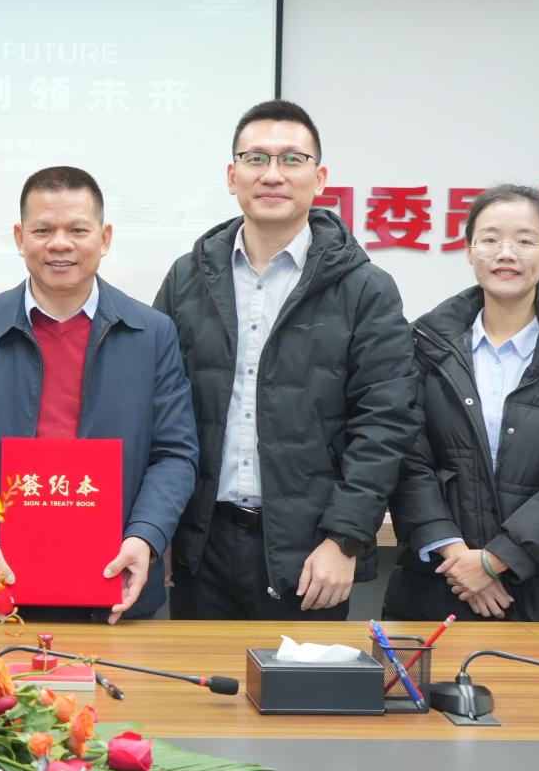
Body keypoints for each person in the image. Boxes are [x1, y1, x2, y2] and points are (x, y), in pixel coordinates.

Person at [155, 100, 419, 620]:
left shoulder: (365, 289)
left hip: (311, 553)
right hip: (199, 548)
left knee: (303, 677)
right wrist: (157, 529)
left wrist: (345, 538)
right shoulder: (187, 278)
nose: (272, 174)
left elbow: (386, 422)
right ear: (231, 176)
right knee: (197, 674)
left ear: (319, 179)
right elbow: (157, 411)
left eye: (292, 159)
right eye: (255, 158)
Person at [0, 166, 198, 623]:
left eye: (77, 230)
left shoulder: (152, 333)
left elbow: (174, 453)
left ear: (104, 238)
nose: (60, 244)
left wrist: (146, 535)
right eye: (43, 230)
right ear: (20, 238)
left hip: (116, 582)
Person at [384, 185, 539, 623]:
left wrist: (494, 561)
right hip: (440, 587)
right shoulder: (422, 349)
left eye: (525, 240)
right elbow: (406, 459)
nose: (506, 253)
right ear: (468, 250)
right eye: (490, 239)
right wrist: (458, 558)